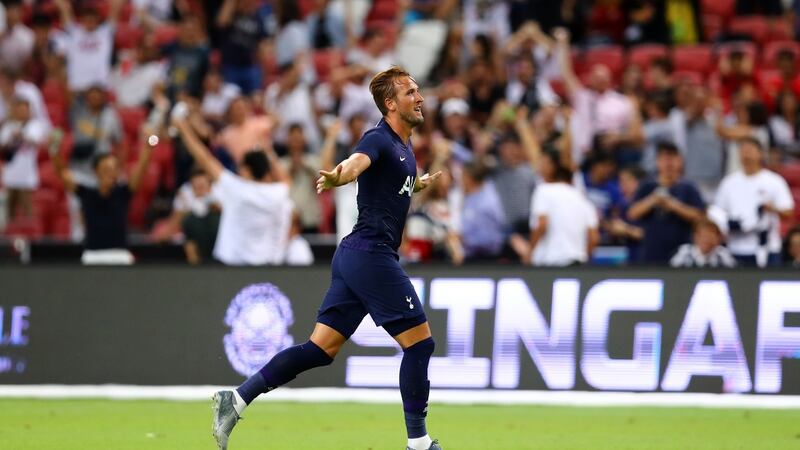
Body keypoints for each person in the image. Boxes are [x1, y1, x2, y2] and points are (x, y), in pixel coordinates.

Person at [209, 66, 443, 450]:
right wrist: (340, 175)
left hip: (353, 256)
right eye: (410, 92)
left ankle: (235, 399)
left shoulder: (404, 148)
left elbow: (388, 181)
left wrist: (416, 184)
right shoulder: (379, 139)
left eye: (418, 90)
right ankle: (418, 444)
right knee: (420, 345)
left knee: (320, 350)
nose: (419, 97)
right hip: (372, 256)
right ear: (390, 104)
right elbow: (357, 163)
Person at [173, 112, 293, 266]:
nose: (238, 169)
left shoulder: (236, 188)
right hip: (268, 269)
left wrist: (183, 129)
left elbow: (204, 159)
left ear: (248, 170)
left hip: (233, 269)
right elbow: (285, 178)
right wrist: (267, 149)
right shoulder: (278, 192)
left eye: (241, 166)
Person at [50, 128, 157, 264]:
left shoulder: (124, 193)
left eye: (114, 170)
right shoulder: (86, 194)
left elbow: (142, 166)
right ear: (96, 172)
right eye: (106, 170)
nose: (110, 174)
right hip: (92, 255)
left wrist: (150, 142)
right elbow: (61, 172)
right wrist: (53, 146)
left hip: (120, 255)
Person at [714, 137, 795, 267]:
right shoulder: (728, 182)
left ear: (760, 154)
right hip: (735, 247)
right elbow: (717, 212)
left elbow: (788, 211)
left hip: (767, 247)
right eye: (743, 151)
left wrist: (771, 208)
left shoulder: (774, 181)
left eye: (750, 150)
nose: (746, 154)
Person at [628, 142, 705, 263]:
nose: (668, 164)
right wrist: (652, 200)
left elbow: (700, 216)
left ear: (680, 161)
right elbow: (632, 213)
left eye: (672, 158)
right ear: (657, 162)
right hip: (651, 252)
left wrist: (673, 205)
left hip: (682, 254)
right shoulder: (647, 186)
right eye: (664, 159)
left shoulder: (688, 188)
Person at [528, 165, 599, 266]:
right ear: (572, 181)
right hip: (576, 262)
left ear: (554, 177)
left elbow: (542, 225)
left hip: (549, 261)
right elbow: (594, 239)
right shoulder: (585, 202)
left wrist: (529, 252)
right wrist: (583, 257)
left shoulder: (544, 190)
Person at [52, 0, 123, 92]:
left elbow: (116, 6)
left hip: (99, 87)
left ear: (97, 20)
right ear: (82, 20)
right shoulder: (74, 32)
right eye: (87, 19)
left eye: (92, 19)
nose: (89, 21)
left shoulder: (105, 33)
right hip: (77, 86)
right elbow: (64, 8)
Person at [0, 97, 48, 221]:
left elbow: (36, 141)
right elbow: (2, 146)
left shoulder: (35, 125)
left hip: (27, 175)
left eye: (24, 110)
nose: (22, 112)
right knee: (9, 211)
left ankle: (32, 236)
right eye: (19, 109)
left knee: (28, 210)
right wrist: (11, 138)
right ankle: (7, 238)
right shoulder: (9, 126)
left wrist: (21, 135)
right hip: (10, 175)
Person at [670, 218, 737, 268]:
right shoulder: (685, 252)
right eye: (704, 236)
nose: (707, 240)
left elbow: (734, 275)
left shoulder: (723, 254)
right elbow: (672, 274)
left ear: (718, 239)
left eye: (710, 237)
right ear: (695, 237)